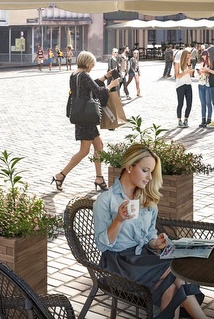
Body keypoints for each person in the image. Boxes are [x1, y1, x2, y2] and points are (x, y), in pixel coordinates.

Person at [93, 143, 208, 318]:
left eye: (151, 172)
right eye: (145, 170)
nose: (149, 177)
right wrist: (118, 221)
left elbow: (148, 235)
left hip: (143, 258)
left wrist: (155, 242)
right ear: (129, 167)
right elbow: (102, 245)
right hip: (119, 262)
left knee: (170, 287)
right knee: (176, 270)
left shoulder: (146, 198)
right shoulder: (105, 200)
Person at [52, 51, 120, 192]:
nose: (92, 68)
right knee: (84, 151)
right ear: (88, 64)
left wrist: (105, 77)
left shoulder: (75, 75)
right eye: (92, 65)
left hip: (83, 115)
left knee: (99, 146)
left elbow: (89, 86)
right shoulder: (84, 76)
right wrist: (110, 84)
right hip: (86, 118)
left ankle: (99, 177)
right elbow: (99, 92)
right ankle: (61, 175)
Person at [174, 48, 194, 128]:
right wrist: (186, 72)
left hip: (188, 84)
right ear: (184, 56)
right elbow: (177, 76)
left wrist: (189, 66)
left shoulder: (189, 63)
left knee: (189, 103)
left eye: (189, 57)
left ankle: (186, 119)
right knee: (180, 103)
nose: (188, 58)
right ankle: (179, 120)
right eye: (187, 57)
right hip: (180, 85)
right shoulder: (177, 63)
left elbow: (191, 75)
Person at [197, 50, 212, 128]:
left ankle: (208, 119)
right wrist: (199, 73)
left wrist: (206, 72)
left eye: (204, 55)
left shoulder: (210, 64)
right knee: (203, 104)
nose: (203, 56)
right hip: (200, 84)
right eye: (202, 55)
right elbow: (198, 76)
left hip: (207, 85)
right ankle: (203, 120)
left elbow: (210, 75)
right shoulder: (201, 64)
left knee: (208, 103)